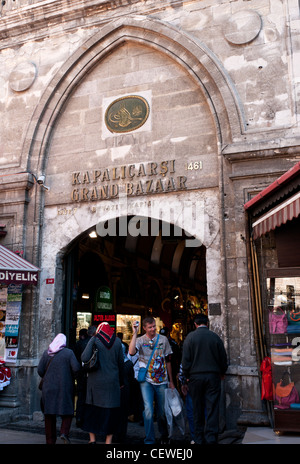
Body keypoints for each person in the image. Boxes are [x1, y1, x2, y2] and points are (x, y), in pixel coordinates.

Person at [182, 314, 228, 444]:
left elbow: (185, 361)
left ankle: (198, 438)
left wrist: (186, 377)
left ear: (195, 324)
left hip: (195, 378)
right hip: (213, 377)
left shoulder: (190, 338)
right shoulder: (215, 337)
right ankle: (211, 438)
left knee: (197, 408)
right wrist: (222, 371)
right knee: (212, 407)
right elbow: (223, 358)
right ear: (207, 323)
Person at [129, 316, 175, 444]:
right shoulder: (140, 340)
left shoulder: (163, 339)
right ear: (144, 328)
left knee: (161, 411)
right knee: (148, 409)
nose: (153, 329)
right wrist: (134, 333)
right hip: (146, 381)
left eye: (154, 326)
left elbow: (168, 361)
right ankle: (149, 439)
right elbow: (131, 352)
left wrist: (171, 381)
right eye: (150, 327)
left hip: (162, 381)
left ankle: (164, 435)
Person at [81, 322, 124, 444]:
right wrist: (121, 381)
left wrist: (93, 338)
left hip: (95, 384)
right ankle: (108, 441)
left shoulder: (95, 339)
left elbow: (84, 358)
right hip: (112, 383)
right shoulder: (117, 342)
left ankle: (92, 440)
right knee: (110, 414)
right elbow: (121, 363)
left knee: (93, 412)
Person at [37, 333, 81, 444]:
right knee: (67, 411)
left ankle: (50, 441)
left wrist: (49, 378)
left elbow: (40, 370)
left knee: (49, 415)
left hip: (48, 388)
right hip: (64, 387)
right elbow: (76, 369)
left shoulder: (47, 353)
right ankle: (64, 432)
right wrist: (72, 378)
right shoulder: (68, 353)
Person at [74, 326, 95, 427]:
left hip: (81, 374)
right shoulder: (94, 343)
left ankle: (79, 417)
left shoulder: (78, 344)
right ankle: (88, 418)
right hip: (91, 374)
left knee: (81, 397)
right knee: (90, 397)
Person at [114, 343, 135, 443]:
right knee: (123, 416)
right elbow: (131, 379)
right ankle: (121, 435)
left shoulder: (113, 363)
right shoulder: (129, 364)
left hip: (114, 391)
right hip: (125, 391)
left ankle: (114, 435)